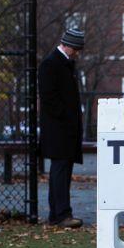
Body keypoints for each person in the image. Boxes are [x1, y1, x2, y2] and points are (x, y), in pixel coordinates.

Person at [38, 28, 85, 228]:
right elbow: (49, 98)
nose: (77, 52)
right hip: (60, 129)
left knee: (61, 172)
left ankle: (58, 213)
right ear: (69, 45)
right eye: (76, 48)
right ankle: (61, 213)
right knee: (60, 172)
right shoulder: (52, 64)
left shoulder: (57, 63)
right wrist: (66, 117)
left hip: (61, 128)